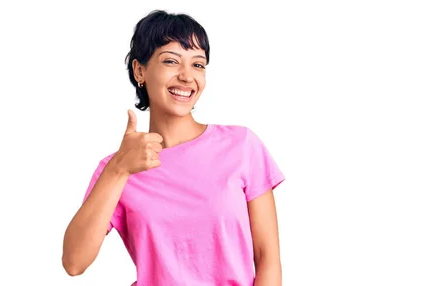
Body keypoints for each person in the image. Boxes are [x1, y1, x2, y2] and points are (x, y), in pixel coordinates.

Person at [61, 10, 285, 286]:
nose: (187, 76)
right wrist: (118, 169)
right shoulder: (119, 167)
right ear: (139, 70)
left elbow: (268, 259)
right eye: (171, 61)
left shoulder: (242, 146)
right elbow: (73, 262)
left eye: (198, 65)